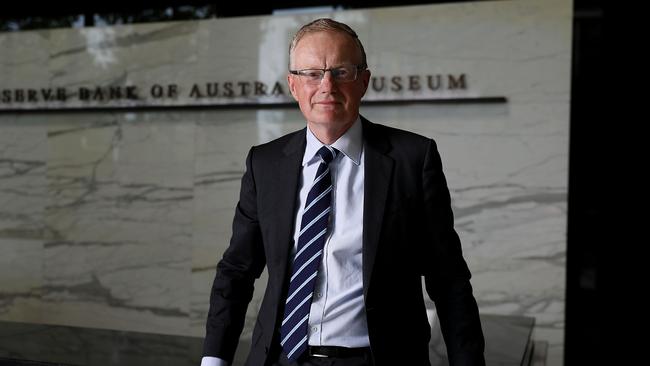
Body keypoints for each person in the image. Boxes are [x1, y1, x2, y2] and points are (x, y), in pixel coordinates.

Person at [201, 18, 485, 366]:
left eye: (341, 71)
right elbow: (237, 271)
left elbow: (448, 278)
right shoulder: (265, 163)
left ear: (364, 81)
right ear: (292, 84)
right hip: (279, 358)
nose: (326, 86)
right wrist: (214, 360)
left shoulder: (412, 160)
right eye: (311, 73)